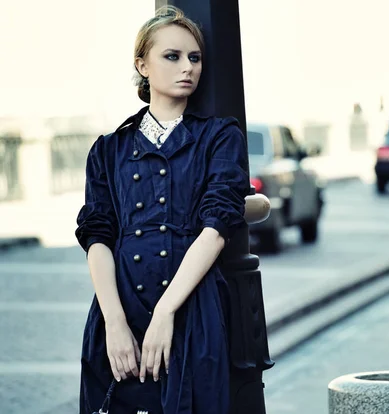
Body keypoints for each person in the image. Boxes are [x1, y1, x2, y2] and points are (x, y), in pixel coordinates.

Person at [75, 6, 250, 413]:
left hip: (192, 311)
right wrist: (114, 322)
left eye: (194, 57)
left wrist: (166, 312)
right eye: (171, 56)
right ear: (143, 64)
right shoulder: (108, 149)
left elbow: (217, 227)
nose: (187, 67)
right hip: (120, 309)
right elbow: (97, 236)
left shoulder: (218, 137)